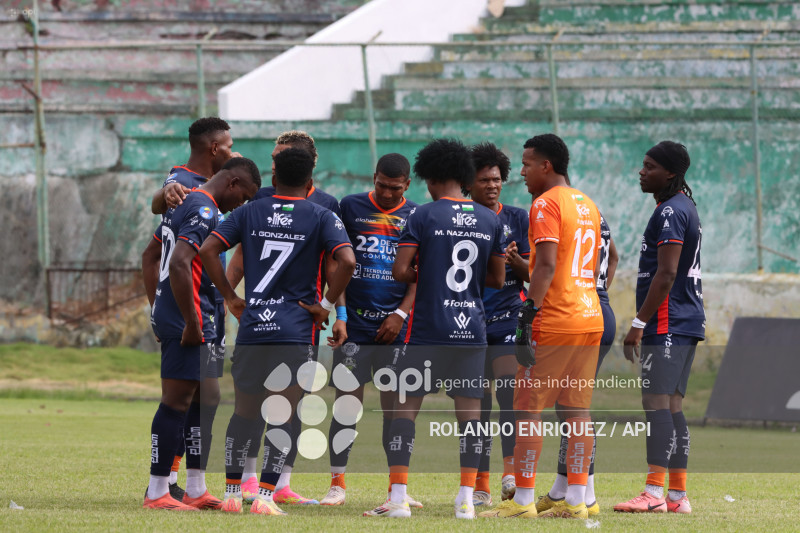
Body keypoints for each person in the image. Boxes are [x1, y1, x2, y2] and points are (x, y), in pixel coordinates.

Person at [198, 147, 356, 516]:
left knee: (244, 413)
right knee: (282, 413)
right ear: (310, 181)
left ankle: (233, 494)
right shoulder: (322, 215)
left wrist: (230, 297)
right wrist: (326, 306)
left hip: (254, 328)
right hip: (294, 331)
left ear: (273, 178)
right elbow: (347, 261)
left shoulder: (248, 211)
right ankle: (266, 497)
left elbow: (207, 250)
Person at [364, 138, 506, 519]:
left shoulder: (423, 215)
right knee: (471, 418)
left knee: (404, 410)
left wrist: (429, 274)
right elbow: (497, 278)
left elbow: (400, 271)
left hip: (428, 330)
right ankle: (466, 500)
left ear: (429, 177)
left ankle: (398, 499)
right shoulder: (490, 219)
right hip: (471, 331)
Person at [480, 133, 604, 520]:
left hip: (556, 318)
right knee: (577, 410)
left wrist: (528, 312)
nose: (521, 172)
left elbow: (546, 264)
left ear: (546, 166)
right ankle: (577, 500)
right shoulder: (588, 203)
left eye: (526, 164)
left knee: (527, 409)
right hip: (590, 315)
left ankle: (522, 502)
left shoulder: (546, 203)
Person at [227, 130, 340, 506]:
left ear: (307, 164)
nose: (273, 165)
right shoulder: (261, 200)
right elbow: (240, 255)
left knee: (289, 404)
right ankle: (251, 482)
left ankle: (280, 485)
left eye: (279, 158)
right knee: (265, 405)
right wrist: (229, 297)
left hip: (297, 321)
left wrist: (334, 309)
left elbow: (333, 265)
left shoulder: (327, 206)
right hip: (288, 321)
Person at [143, 157, 261, 510]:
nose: (241, 205)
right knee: (176, 401)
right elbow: (179, 261)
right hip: (189, 320)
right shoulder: (204, 209)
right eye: (243, 197)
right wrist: (192, 323)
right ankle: (157, 491)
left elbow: (157, 251)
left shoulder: (191, 202)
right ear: (233, 183)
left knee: (204, 399)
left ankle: (196, 487)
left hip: (202, 316)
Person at [318, 153, 420, 507]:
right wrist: (340, 315)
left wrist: (400, 315)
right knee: (347, 405)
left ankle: (397, 488)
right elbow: (337, 264)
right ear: (373, 177)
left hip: (396, 329)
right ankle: (337, 484)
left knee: (396, 411)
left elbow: (420, 274)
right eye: (381, 185)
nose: (387, 194)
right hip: (355, 327)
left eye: (395, 188)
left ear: (407, 184)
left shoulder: (416, 215)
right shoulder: (350, 207)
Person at [614, 141, 704, 515]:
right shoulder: (684, 206)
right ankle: (677, 496)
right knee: (672, 405)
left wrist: (639, 323)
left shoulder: (670, 212)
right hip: (686, 319)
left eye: (649, 166)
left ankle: (653, 492)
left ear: (669, 173)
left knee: (655, 403)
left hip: (668, 320)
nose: (642, 171)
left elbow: (666, 273)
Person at [536, 212, 618, 517]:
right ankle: (562, 490)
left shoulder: (559, 211)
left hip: (579, 312)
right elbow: (613, 258)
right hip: (598, 307)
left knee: (574, 407)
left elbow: (551, 266)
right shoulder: (595, 215)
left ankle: (586, 496)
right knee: (568, 404)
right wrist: (599, 293)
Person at [464, 142, 529, 507]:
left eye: (497, 179)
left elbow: (534, 272)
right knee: (478, 404)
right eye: (484, 180)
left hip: (507, 317)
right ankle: (480, 485)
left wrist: (516, 262)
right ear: (468, 184)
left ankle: (510, 474)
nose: (492, 185)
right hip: (469, 320)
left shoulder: (519, 218)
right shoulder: (460, 220)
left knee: (508, 391)